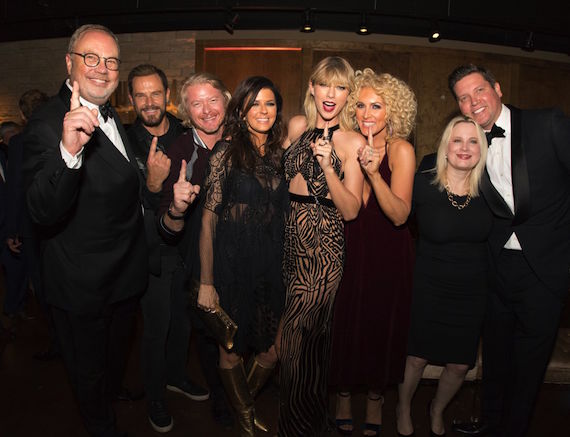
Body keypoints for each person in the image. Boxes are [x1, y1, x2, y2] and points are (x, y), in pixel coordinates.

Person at [22, 24, 151, 437]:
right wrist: (69, 152)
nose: (102, 68)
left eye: (111, 61)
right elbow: (41, 209)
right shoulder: (46, 123)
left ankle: (109, 396)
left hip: (125, 277)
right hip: (82, 285)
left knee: (114, 362)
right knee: (89, 375)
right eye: (90, 58)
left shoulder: (121, 120)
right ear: (69, 63)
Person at [448, 64, 570, 437]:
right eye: (464, 98)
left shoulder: (547, 123)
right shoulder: (471, 142)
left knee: (529, 364)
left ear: (497, 88)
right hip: (498, 268)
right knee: (496, 359)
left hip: (545, 271)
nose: (474, 102)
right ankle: (488, 423)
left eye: (479, 91)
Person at [193, 76, 288, 436]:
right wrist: (206, 282)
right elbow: (207, 220)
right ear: (242, 110)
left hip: (273, 267)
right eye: (254, 104)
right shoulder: (226, 152)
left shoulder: (282, 154)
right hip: (232, 266)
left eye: (270, 104)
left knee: (273, 348)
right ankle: (246, 420)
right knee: (230, 350)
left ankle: (243, 404)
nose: (262, 111)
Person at [278, 56, 365, 436]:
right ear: (312, 87)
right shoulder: (297, 126)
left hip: (324, 248)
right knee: (310, 346)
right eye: (325, 85)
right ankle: (311, 423)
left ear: (348, 95)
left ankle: (293, 429)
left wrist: (329, 166)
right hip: (291, 243)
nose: (331, 94)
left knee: (294, 341)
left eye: (340, 87)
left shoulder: (351, 141)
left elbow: (351, 211)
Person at [330, 68, 417, 437]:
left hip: (388, 252)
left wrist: (374, 173)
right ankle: (345, 395)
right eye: (361, 105)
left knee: (382, 324)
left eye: (377, 106)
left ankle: (377, 399)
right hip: (349, 246)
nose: (367, 113)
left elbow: (399, 215)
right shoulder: (346, 141)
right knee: (346, 319)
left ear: (392, 112)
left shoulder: (401, 149)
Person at [396, 115, 492, 437]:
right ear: (445, 147)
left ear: (482, 147)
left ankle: (437, 408)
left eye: (473, 141)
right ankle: (403, 406)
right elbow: (395, 219)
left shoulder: (491, 189)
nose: (464, 148)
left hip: (472, 289)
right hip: (427, 284)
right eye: (457, 140)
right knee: (416, 357)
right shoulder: (423, 181)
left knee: (459, 364)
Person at [126, 63, 209, 433]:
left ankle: (177, 376)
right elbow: (119, 201)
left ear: (168, 95)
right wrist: (153, 184)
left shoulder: (184, 132)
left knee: (183, 321)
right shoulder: (124, 141)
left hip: (185, 246)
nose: (149, 102)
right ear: (130, 100)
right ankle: (155, 395)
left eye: (155, 93)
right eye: (140, 95)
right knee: (156, 327)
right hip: (149, 251)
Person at [157, 72, 235, 429]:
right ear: (186, 111)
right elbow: (168, 227)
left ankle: (242, 392)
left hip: (246, 256)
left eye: (213, 99)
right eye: (196, 103)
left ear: (226, 100)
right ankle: (222, 399)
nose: (207, 110)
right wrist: (176, 208)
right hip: (202, 263)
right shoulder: (178, 152)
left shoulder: (244, 139)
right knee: (210, 335)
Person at [3, 90, 54, 359]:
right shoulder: (58, 133)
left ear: (23, 115)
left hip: (32, 225)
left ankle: (58, 341)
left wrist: (12, 230)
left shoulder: (20, 142)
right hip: (59, 223)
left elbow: (15, 190)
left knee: (43, 286)